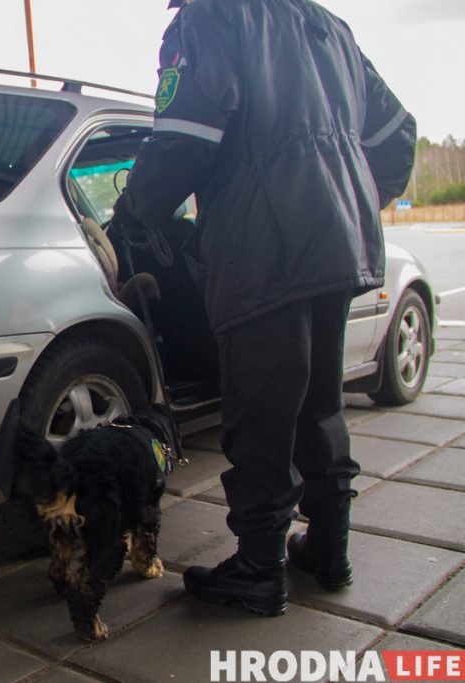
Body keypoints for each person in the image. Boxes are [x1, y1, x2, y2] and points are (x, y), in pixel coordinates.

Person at [111, 0, 416, 615]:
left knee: (260, 413)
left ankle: (258, 568)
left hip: (260, 252)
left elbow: (182, 140)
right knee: (317, 404)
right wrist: (347, 201)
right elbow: (396, 135)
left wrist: (134, 213)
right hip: (336, 247)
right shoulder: (327, 27)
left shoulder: (210, 21)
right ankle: (328, 549)